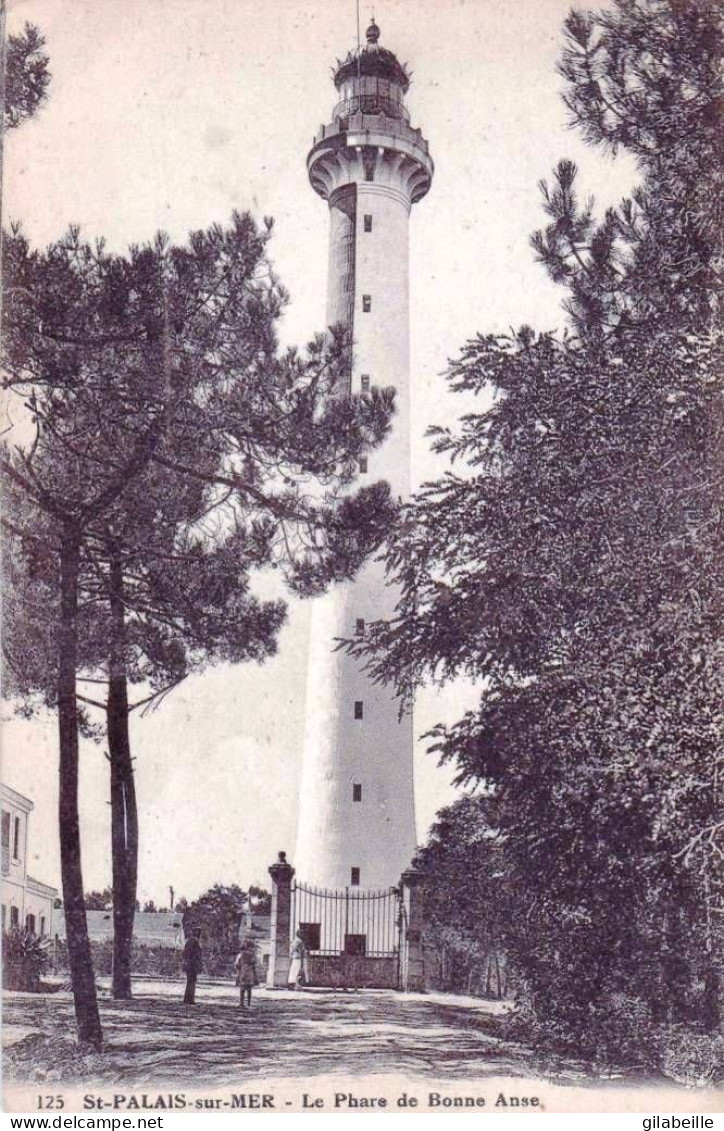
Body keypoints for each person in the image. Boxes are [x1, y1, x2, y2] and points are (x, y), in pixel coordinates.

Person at [234, 938, 259, 1009]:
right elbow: (254, 963)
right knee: (249, 988)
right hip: (250, 972)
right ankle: (248, 1003)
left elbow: (237, 964)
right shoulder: (252, 955)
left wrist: (238, 970)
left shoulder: (240, 955)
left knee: (242, 988)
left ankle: (241, 1003)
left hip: (242, 972)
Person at [182, 927, 203, 1004]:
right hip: (192, 964)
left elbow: (184, 953)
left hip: (188, 964)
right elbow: (196, 955)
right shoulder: (195, 942)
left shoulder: (188, 941)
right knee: (192, 981)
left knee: (189, 981)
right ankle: (190, 999)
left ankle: (187, 999)